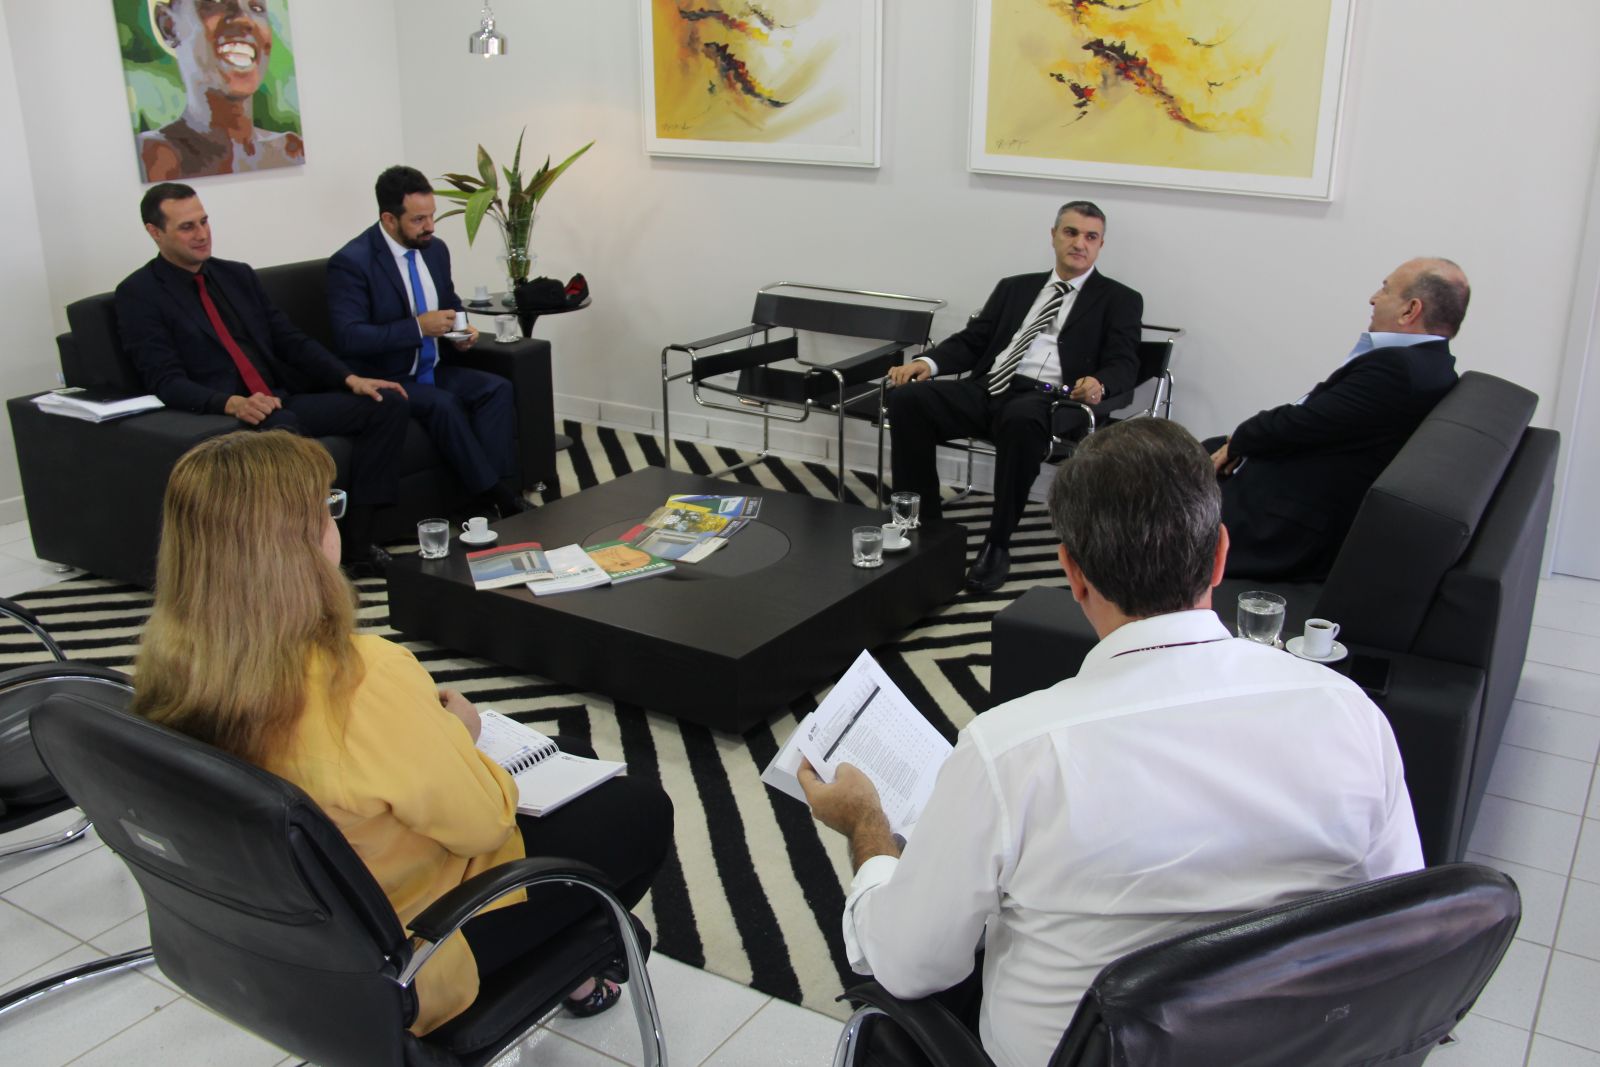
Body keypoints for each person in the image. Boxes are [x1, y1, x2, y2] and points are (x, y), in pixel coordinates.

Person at [801, 419, 1422, 1067]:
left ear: (1072, 573)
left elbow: (908, 966)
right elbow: (1402, 930)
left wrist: (867, 825)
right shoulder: (1348, 712)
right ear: (1220, 554)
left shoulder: (1011, 752)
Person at [129, 430, 675, 1036]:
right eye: (328, 509)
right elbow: (485, 824)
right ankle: (568, 960)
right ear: (296, 544)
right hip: (411, 951)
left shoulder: (167, 668)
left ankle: (566, 955)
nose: (336, 522)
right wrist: (460, 733)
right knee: (640, 810)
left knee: (566, 755)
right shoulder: (359, 674)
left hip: (285, 935)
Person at [115, 182, 406, 578]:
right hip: (228, 415)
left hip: (280, 398)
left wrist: (350, 378)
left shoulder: (235, 276)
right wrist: (231, 403)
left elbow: (290, 340)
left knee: (385, 404)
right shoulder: (140, 294)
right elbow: (164, 380)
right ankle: (302, 560)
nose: (201, 234)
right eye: (187, 227)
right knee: (285, 431)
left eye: (204, 222)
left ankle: (357, 543)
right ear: (155, 232)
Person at [886, 201, 1143, 593]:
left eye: (1090, 237)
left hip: (1052, 400)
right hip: (990, 387)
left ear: (1100, 245)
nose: (1080, 243)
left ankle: (998, 542)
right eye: (1071, 232)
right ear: (1054, 236)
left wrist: (1099, 383)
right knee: (908, 401)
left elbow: (1125, 362)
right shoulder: (1015, 287)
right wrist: (928, 362)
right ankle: (922, 524)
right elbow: (974, 341)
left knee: (1021, 419)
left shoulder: (1119, 299)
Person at [1209, 257, 1468, 580]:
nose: (1373, 298)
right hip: (1288, 492)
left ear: (1410, 310)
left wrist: (1242, 439)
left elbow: (1302, 424)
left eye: (1386, 289)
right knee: (1174, 456)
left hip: (1280, 527)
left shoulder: (1399, 370)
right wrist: (1243, 440)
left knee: (1159, 486)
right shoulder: (1430, 365)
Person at [328, 165, 526, 518]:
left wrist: (460, 332)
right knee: (443, 405)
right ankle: (499, 498)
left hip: (433, 367)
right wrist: (417, 328)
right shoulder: (352, 263)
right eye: (419, 220)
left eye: (432, 216)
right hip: (388, 379)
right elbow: (350, 337)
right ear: (389, 219)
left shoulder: (435, 251)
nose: (430, 227)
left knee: (496, 389)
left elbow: (449, 303)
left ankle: (498, 491)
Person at [139, 0, 305, 181]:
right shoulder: (151, 156)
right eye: (215, 2)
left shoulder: (292, 150)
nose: (245, 19)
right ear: (169, 26)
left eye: (257, 8)